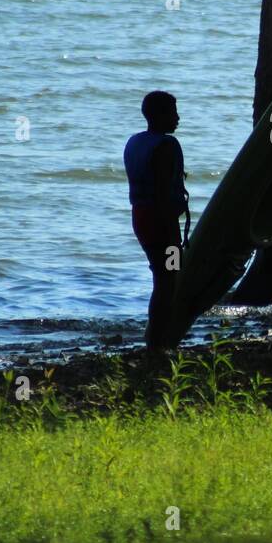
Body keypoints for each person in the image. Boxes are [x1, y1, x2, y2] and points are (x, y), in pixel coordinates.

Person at [123, 91, 188, 351]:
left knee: (162, 276)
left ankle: (156, 338)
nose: (178, 118)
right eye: (173, 112)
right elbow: (162, 192)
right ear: (160, 115)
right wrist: (173, 220)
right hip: (161, 221)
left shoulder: (135, 142)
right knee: (167, 279)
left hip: (140, 217)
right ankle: (158, 342)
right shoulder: (166, 146)